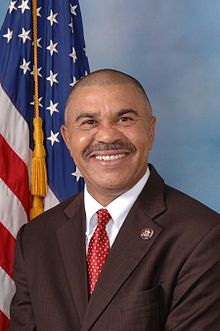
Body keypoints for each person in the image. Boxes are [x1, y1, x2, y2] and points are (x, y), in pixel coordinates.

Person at [10, 69, 220, 331]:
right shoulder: (36, 238)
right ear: (66, 137)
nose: (107, 136)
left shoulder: (204, 236)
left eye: (124, 119)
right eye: (88, 122)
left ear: (150, 131)